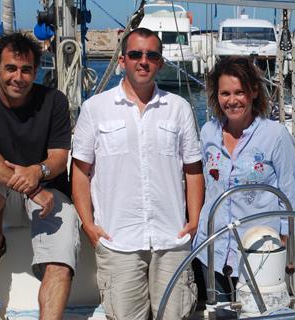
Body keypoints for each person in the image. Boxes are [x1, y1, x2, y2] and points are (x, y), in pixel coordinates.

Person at [71, 27, 204, 319]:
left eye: (151, 55)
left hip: (171, 238)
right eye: (135, 54)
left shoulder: (178, 108)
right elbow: (80, 171)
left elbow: (193, 170)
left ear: (160, 62)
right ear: (122, 61)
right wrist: (89, 225)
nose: (143, 61)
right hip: (119, 241)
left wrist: (193, 221)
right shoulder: (95, 109)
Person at [0, 32, 80, 319]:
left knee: (59, 265)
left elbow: (58, 159)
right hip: (12, 195)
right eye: (10, 68)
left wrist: (38, 171)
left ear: (35, 71)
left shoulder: (53, 101)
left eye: (26, 69)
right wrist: (30, 187)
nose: (18, 77)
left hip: (49, 191)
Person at [192, 56, 295, 302]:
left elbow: (288, 192)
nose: (232, 101)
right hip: (213, 249)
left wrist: (285, 243)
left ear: (253, 92)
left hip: (260, 252)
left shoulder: (275, 135)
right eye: (224, 93)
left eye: (239, 92)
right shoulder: (208, 132)